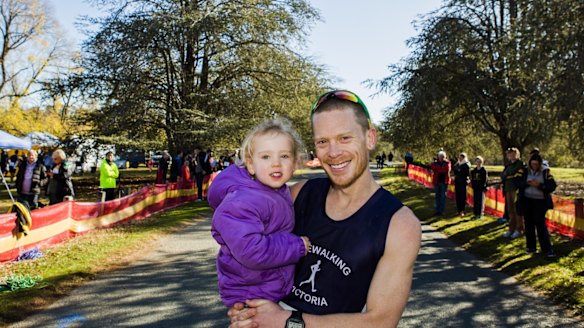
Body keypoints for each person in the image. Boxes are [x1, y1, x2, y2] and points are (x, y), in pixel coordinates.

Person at [228, 90, 421, 327]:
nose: (333, 153)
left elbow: (380, 322)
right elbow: (249, 254)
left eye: (344, 138)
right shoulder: (298, 194)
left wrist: (286, 321)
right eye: (322, 142)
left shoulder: (399, 225)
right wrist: (247, 308)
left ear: (370, 138)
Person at [209, 119, 311, 307]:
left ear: (295, 162)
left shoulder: (275, 191)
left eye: (284, 156)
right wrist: (297, 246)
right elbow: (251, 250)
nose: (276, 164)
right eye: (265, 157)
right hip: (251, 294)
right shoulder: (244, 200)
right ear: (250, 165)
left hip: (269, 287)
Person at [517, 154, 556, 257]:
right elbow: (517, 182)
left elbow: (552, 186)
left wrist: (540, 185)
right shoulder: (524, 171)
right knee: (528, 224)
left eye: (536, 164)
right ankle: (531, 247)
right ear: (530, 163)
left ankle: (547, 249)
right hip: (527, 200)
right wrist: (526, 183)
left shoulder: (546, 172)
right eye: (532, 164)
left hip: (540, 201)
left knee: (540, 223)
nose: (534, 166)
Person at [501, 147, 525, 238]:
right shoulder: (508, 165)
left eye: (513, 153)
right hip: (508, 188)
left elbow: (517, 175)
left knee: (517, 210)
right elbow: (503, 175)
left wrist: (510, 176)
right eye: (509, 154)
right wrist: (507, 176)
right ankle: (511, 228)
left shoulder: (520, 164)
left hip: (516, 189)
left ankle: (519, 229)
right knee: (510, 210)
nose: (511, 155)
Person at [431, 151, 451, 216]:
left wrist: (438, 169)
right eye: (440, 157)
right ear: (438, 157)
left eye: (442, 157)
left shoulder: (447, 163)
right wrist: (441, 169)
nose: (441, 158)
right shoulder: (435, 163)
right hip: (437, 181)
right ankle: (437, 210)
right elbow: (433, 167)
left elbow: (446, 169)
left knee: (443, 196)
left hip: (444, 182)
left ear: (444, 157)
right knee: (437, 196)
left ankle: (441, 210)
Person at [452, 152, 471, 216]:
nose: (460, 158)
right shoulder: (457, 164)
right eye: (459, 157)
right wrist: (456, 167)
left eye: (461, 157)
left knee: (463, 197)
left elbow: (465, 173)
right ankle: (458, 210)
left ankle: (462, 210)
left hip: (463, 183)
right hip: (457, 182)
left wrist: (459, 170)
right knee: (458, 197)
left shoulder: (466, 164)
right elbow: (455, 171)